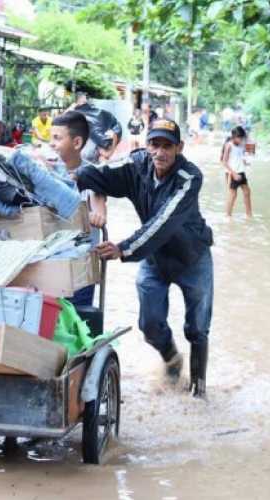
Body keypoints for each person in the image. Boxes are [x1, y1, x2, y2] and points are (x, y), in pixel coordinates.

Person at [76, 119, 214, 398]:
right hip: (154, 259)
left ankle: (199, 391)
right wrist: (94, 201)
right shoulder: (137, 165)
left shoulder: (190, 178)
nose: (160, 152)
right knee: (149, 325)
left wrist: (123, 249)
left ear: (179, 148)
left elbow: (162, 223)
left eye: (167, 146)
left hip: (193, 260)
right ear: (146, 145)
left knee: (197, 328)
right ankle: (172, 359)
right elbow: (92, 175)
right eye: (154, 144)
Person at [48, 111, 107, 307]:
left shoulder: (93, 174)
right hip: (48, 261)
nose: (51, 144)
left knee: (77, 319)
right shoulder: (45, 172)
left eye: (57, 138)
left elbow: (99, 207)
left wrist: (97, 216)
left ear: (76, 143)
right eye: (51, 138)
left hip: (80, 265)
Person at [221, 126, 253, 218]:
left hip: (241, 171)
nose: (241, 140)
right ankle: (228, 215)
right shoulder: (229, 145)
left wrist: (245, 162)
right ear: (234, 137)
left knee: (247, 192)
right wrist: (233, 174)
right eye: (240, 138)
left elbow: (241, 155)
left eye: (242, 138)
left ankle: (249, 214)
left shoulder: (241, 145)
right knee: (233, 195)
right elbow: (224, 162)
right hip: (232, 173)